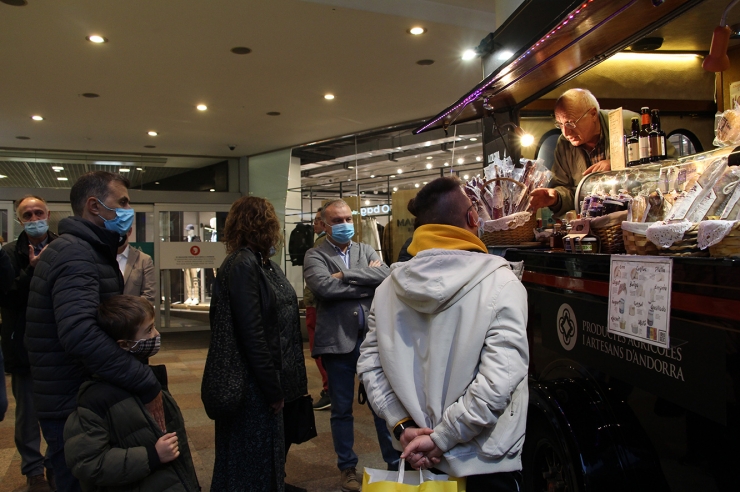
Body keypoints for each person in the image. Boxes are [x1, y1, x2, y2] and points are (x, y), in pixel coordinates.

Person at [357, 177, 530, 492]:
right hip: (483, 463)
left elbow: (370, 365)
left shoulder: (386, 290)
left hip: (413, 458)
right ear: (472, 219)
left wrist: (403, 425)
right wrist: (443, 437)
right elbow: (499, 380)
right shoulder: (502, 284)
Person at [25, 171, 164, 492]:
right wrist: (145, 383)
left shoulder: (85, 250)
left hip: (78, 396)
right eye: (123, 202)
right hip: (72, 403)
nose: (129, 210)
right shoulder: (77, 254)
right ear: (95, 206)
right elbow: (80, 334)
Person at [303, 199, 400, 492]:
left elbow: (385, 277)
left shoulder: (365, 250)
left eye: (348, 218)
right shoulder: (314, 255)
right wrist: (364, 280)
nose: (345, 225)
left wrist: (345, 275)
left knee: (382, 406)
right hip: (337, 344)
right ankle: (347, 468)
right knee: (341, 409)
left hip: (371, 341)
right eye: (337, 220)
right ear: (323, 224)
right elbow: (323, 288)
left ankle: (395, 465)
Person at [63, 295, 199, 491]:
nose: (156, 335)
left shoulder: (147, 380)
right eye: (149, 330)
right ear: (124, 344)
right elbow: (87, 464)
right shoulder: (97, 397)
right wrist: (152, 456)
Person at [208, 196, 292, 491]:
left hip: (244, 378)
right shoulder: (245, 263)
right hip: (249, 383)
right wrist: (273, 389)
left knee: (241, 460)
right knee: (251, 464)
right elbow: (253, 333)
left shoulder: (239, 261)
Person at [1, 195, 58, 492]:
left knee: (62, 408)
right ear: (18, 219)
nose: (35, 218)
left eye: (39, 212)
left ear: (48, 213)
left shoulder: (63, 246)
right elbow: (7, 297)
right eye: (27, 214)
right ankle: (33, 470)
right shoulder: (10, 253)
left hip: (58, 344)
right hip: (23, 345)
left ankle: (55, 463)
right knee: (27, 414)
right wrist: (32, 270)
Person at [529, 88, 636, 216]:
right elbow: (568, 190)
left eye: (571, 123)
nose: (566, 133)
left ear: (593, 114)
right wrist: (557, 198)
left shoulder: (629, 124)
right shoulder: (564, 144)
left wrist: (617, 165)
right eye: (560, 125)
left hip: (631, 216)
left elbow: (659, 167)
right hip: (594, 222)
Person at [302, 208, 331, 411]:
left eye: (316, 221)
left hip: (317, 303)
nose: (313, 225)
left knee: (319, 349)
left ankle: (329, 390)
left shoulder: (321, 244)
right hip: (322, 303)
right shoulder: (335, 244)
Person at [118, 227, 156, 303]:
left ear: (129, 231)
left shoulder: (144, 260)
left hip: (134, 313)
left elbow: (149, 295)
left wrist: (131, 312)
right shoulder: (99, 258)